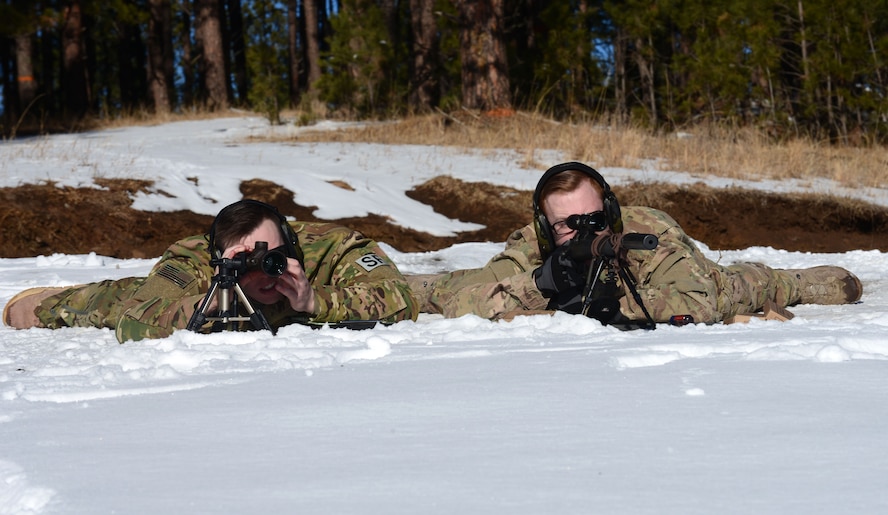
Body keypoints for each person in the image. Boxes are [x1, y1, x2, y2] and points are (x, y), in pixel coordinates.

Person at [407, 162, 862, 327]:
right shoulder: (536, 245)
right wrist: (540, 283)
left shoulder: (648, 237)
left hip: (667, 277)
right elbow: (461, 296)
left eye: (594, 219)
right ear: (546, 228)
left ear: (612, 212)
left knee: (734, 286)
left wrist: (607, 299)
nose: (584, 232)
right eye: (567, 225)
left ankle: (796, 280)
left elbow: (699, 303)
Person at [3, 199, 418, 342]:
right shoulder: (192, 258)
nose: (267, 271)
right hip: (137, 295)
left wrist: (314, 300)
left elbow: (400, 299)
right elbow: (136, 319)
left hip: (323, 285)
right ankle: (41, 301)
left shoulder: (334, 244)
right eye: (247, 261)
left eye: (272, 255)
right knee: (112, 301)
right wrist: (222, 296)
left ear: (291, 244)